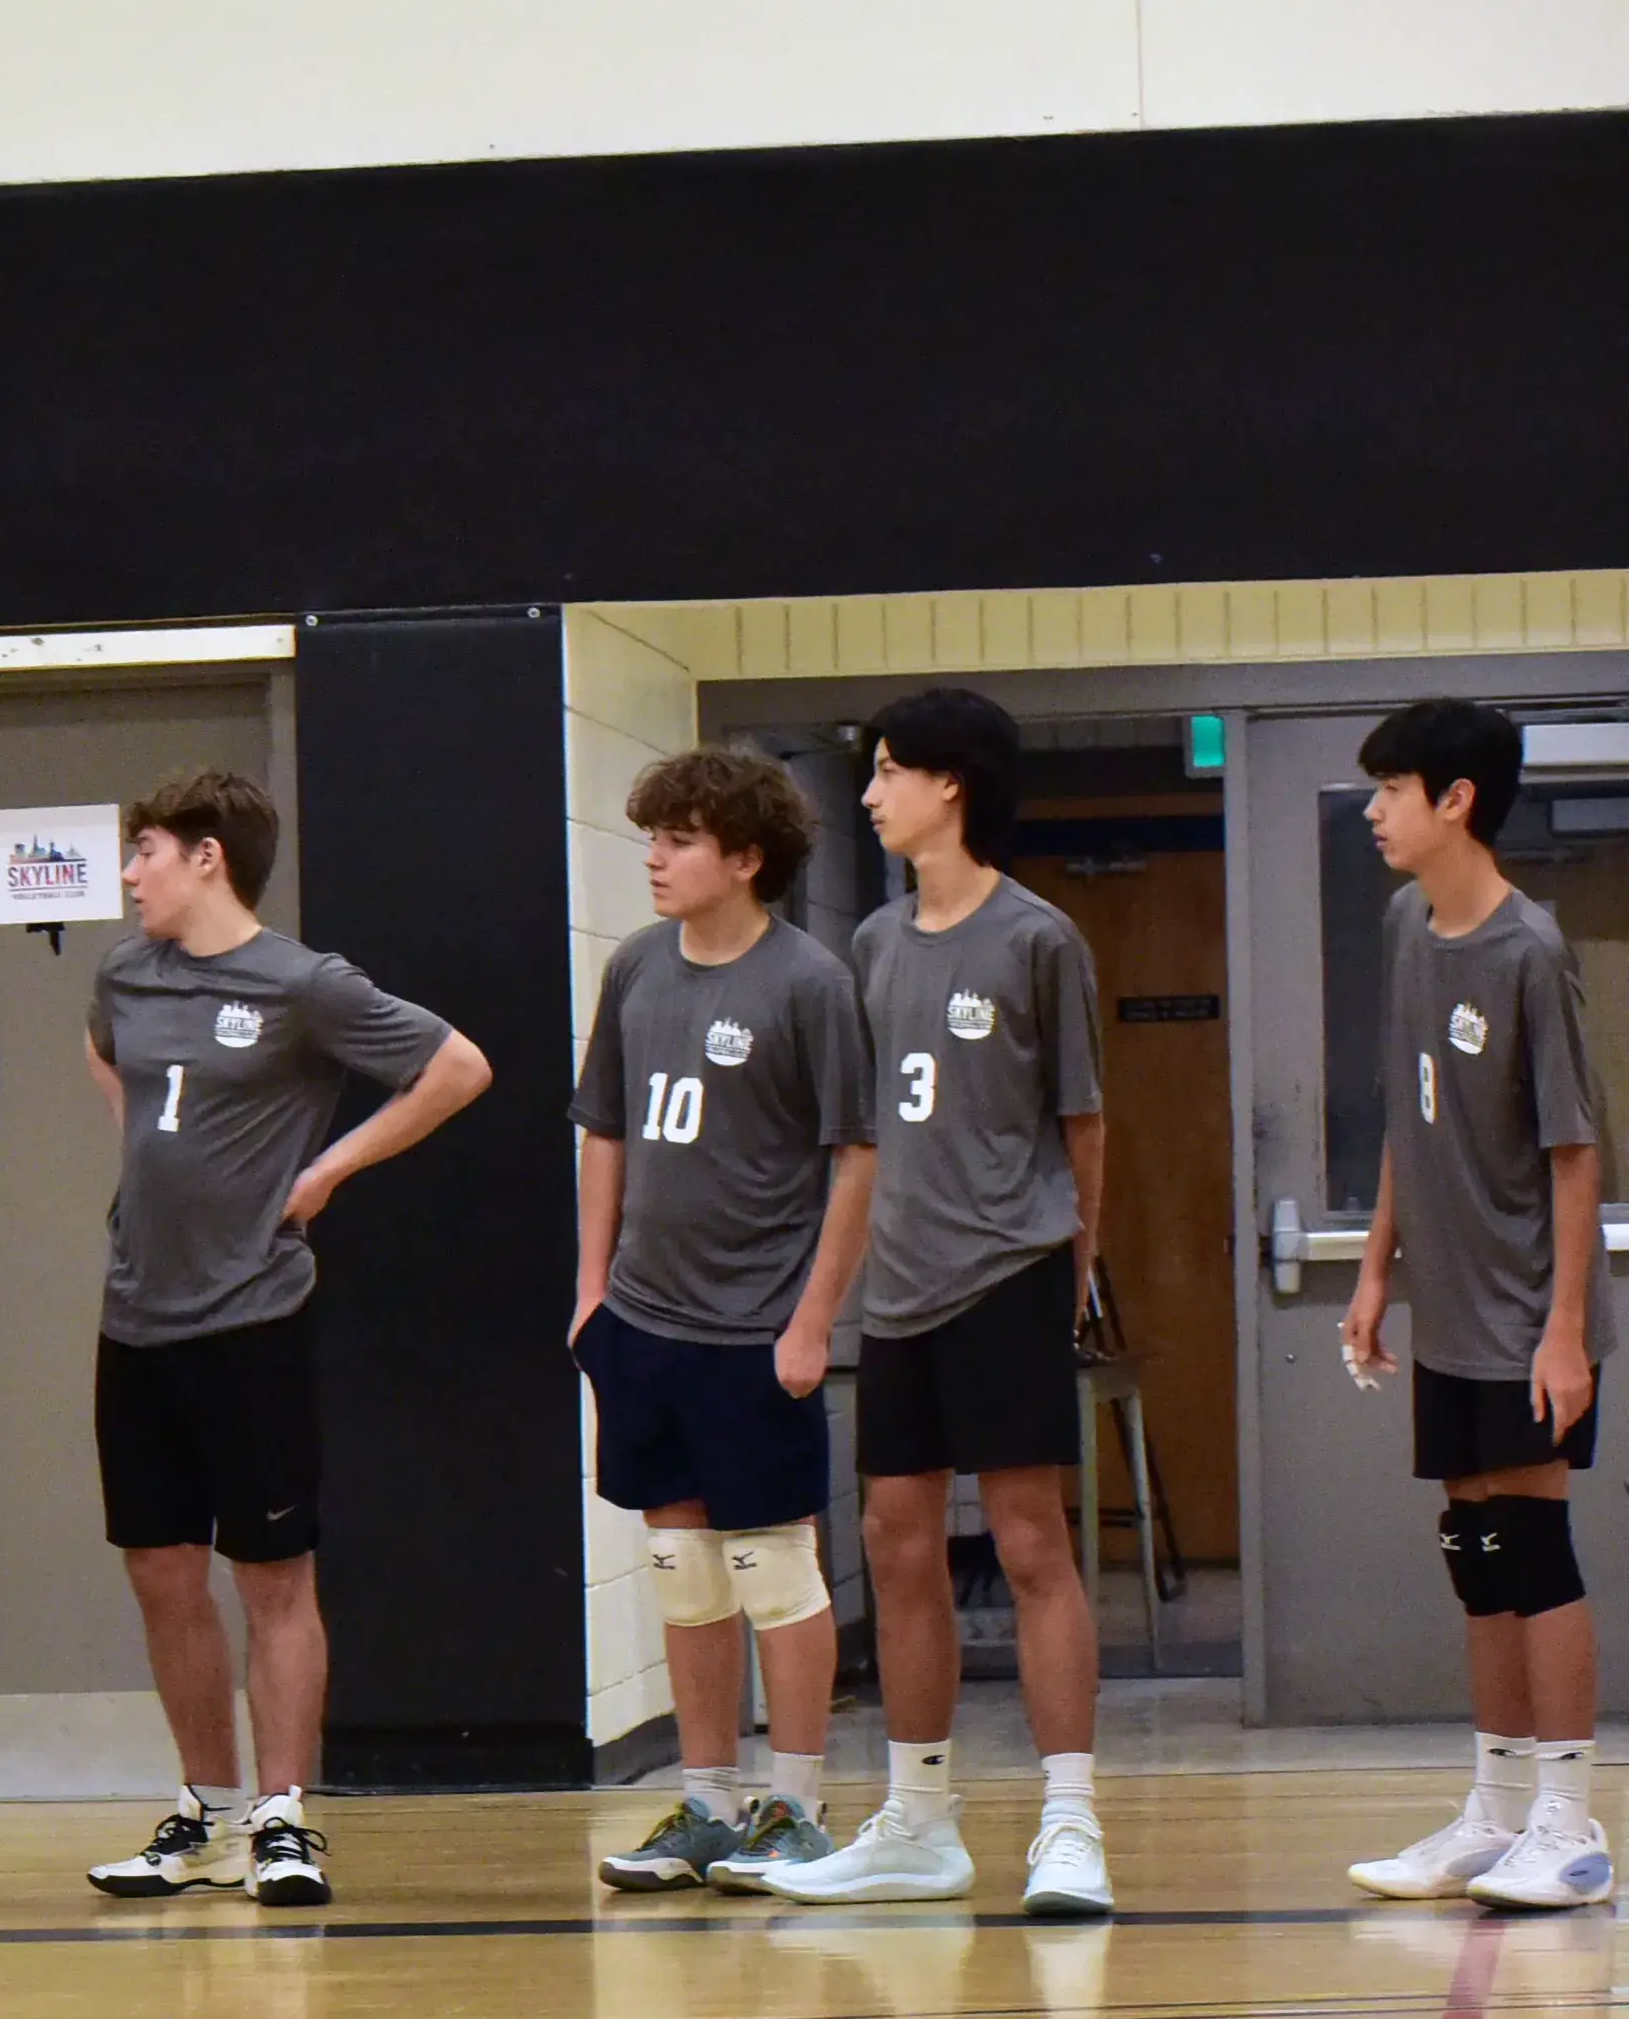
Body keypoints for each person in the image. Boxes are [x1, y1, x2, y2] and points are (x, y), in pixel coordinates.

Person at [77, 769, 492, 1907]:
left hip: (252, 1313)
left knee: (272, 1574)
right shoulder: (125, 970)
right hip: (134, 1314)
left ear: (208, 856)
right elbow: (104, 1051)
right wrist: (151, 1170)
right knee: (162, 1573)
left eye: (146, 849)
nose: (129, 873)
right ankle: (201, 1812)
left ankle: (283, 1817)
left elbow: (457, 1068)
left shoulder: (303, 982)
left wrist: (326, 1167)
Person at [756, 687, 1114, 1916]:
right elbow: (859, 1141)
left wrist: (1072, 1267)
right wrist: (825, 1301)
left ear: (950, 782)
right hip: (899, 1291)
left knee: (1029, 1544)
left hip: (1007, 1273)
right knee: (893, 1545)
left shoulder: (1039, 939)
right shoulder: (872, 945)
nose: (869, 794)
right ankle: (918, 1818)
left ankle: (1070, 1819)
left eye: (889, 771)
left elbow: (1084, 1127)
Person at [569, 750, 878, 1894]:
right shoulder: (639, 966)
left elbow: (858, 1156)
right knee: (681, 1566)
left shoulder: (811, 981)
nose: (654, 855)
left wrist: (812, 1322)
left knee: (773, 1566)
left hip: (759, 1329)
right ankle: (705, 1802)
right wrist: (591, 1289)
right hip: (645, 1323)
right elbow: (604, 1127)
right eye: (651, 834)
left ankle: (793, 1805)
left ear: (745, 858)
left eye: (680, 838)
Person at [1338, 699, 1610, 1911]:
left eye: (1391, 788)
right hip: (1447, 1308)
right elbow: (1411, 1109)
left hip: (1524, 1315)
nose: (1374, 810)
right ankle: (1496, 1811)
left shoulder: (1529, 950)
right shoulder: (1407, 923)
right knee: (1477, 1547)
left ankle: (1571, 1817)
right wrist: (1377, 1267)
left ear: (1456, 799)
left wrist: (1564, 1330)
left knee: (1535, 1544)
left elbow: (1574, 1153)